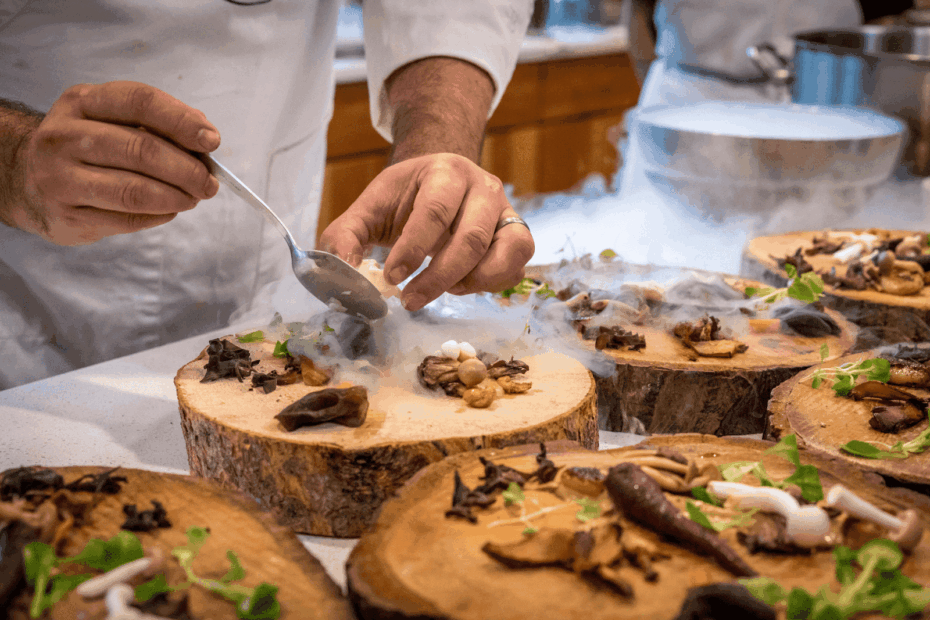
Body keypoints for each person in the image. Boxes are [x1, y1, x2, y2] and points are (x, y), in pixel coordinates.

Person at [0, 0, 536, 390]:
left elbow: (451, 12)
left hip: (263, 274)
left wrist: (436, 150)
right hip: (31, 335)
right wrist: (15, 157)